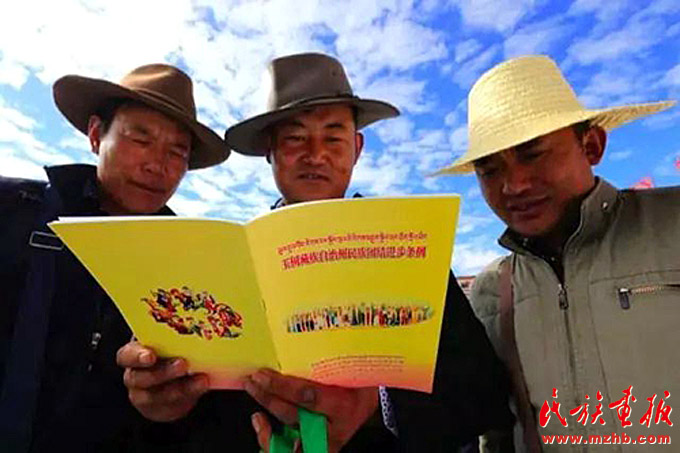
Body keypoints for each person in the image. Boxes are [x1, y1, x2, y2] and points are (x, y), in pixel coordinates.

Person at [119, 53, 514, 452]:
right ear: (270, 150)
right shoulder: (225, 265)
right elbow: (199, 413)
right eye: (295, 138)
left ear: (356, 148)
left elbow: (481, 396)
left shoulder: (407, 253)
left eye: (333, 137)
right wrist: (163, 401)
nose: (316, 154)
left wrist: (375, 410)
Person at [435, 55, 678, 451]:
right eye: (489, 169)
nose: (513, 185)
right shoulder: (493, 291)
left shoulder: (672, 226)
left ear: (592, 145)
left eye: (532, 153)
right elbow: (498, 433)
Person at [0, 63, 229, 452]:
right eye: (141, 138)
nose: (157, 165)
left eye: (177, 151)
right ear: (95, 134)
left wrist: (171, 411)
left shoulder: (193, 267)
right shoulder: (10, 210)